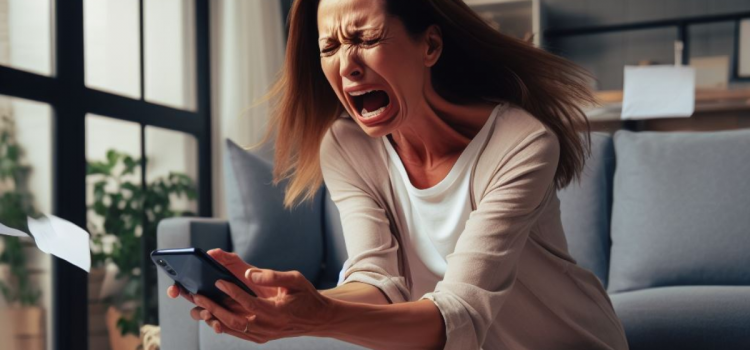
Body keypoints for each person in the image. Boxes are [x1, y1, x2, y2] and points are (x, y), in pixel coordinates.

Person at [167, 0, 630, 349]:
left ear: (429, 45)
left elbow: (461, 311)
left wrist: (316, 317)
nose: (346, 65)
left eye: (365, 39)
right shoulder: (347, 145)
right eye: (329, 47)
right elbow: (377, 280)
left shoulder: (521, 143)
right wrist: (277, 298)